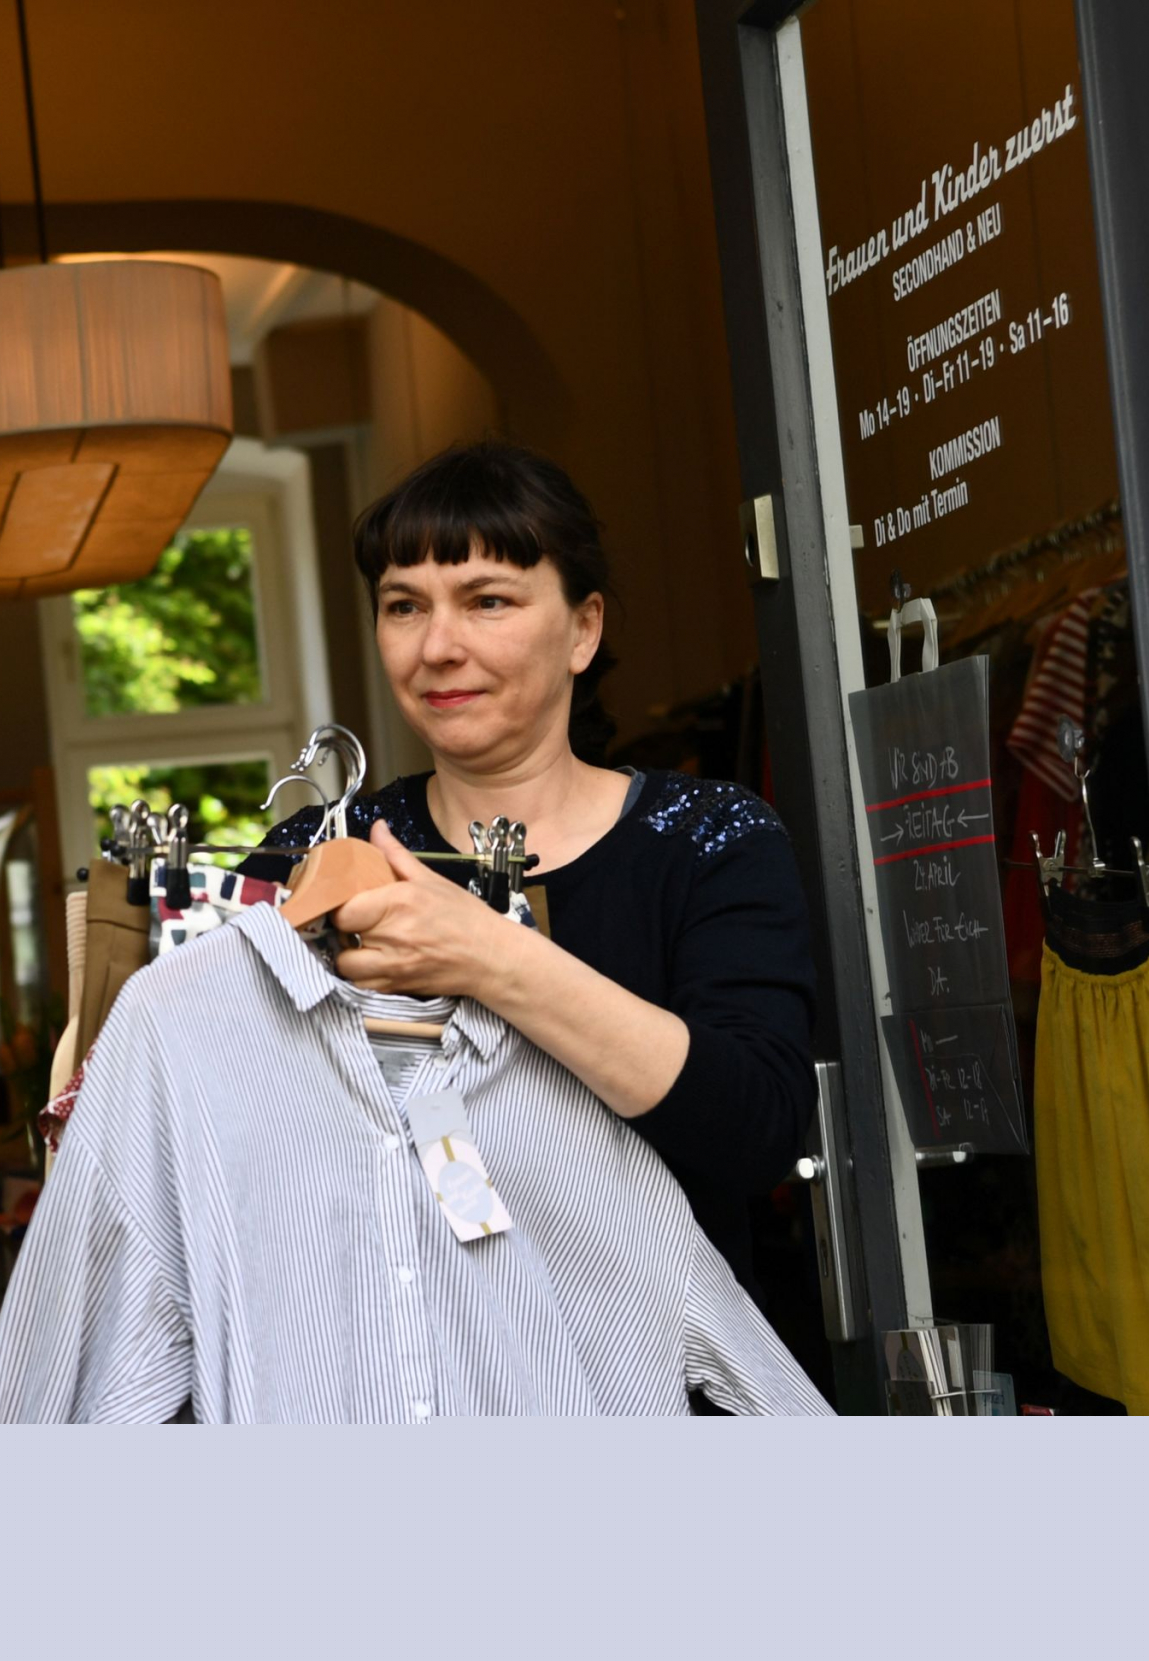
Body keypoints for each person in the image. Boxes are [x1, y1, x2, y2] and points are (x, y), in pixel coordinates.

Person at [248, 441, 818, 1302]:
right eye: (403, 606)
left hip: (662, 1374)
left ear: (582, 629)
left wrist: (490, 957)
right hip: (407, 1366)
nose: (436, 646)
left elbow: (754, 1132)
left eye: (487, 601)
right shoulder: (314, 852)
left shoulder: (710, 840)